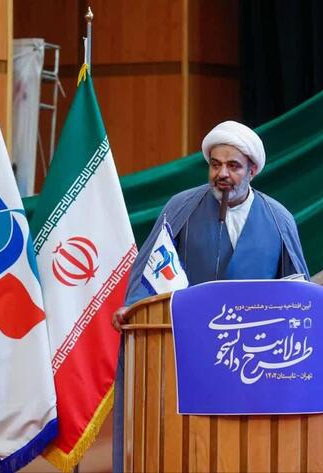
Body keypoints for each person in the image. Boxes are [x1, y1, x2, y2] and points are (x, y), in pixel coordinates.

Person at [110, 120, 309, 471]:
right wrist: (134, 307)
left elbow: (299, 292)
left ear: (252, 170)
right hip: (187, 355)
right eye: (215, 165)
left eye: (233, 166)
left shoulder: (278, 219)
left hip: (253, 365)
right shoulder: (181, 207)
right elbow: (151, 272)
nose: (222, 174)